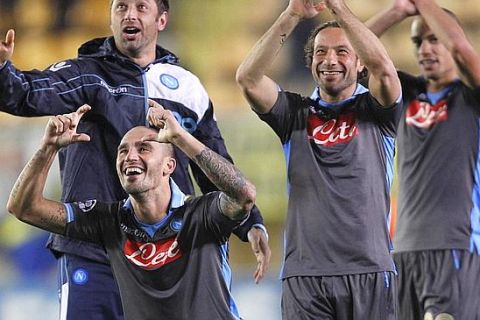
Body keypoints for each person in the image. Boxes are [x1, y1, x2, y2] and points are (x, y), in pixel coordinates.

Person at [0, 0, 270, 319]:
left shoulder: (187, 87)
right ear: (111, 18)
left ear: (162, 20)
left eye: (141, 6)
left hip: (169, 249)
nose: (129, 13)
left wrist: (250, 222)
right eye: (121, 6)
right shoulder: (87, 74)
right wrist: (4, 72)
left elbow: (214, 162)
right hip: (95, 244)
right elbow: (27, 93)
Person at [7, 101, 256, 320]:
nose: (130, 156)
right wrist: (47, 148)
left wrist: (180, 137)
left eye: (144, 148)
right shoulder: (110, 221)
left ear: (169, 166)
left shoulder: (203, 213)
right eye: (123, 151)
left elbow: (244, 195)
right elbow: (24, 208)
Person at [235, 0, 402, 318]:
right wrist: (292, 14)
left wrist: (338, 8)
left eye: (342, 52)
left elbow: (383, 67)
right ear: (311, 62)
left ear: (359, 64)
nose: (330, 60)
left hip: (370, 271)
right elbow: (248, 78)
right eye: (321, 52)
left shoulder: (378, 110)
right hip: (305, 276)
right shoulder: (293, 113)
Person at [366, 0, 480, 319]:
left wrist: (424, 4)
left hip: (455, 245)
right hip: (402, 250)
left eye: (434, 39)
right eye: (418, 41)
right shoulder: (407, 93)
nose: (425, 49)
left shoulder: (471, 96)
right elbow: (351, 57)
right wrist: (398, 11)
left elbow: (459, 49)